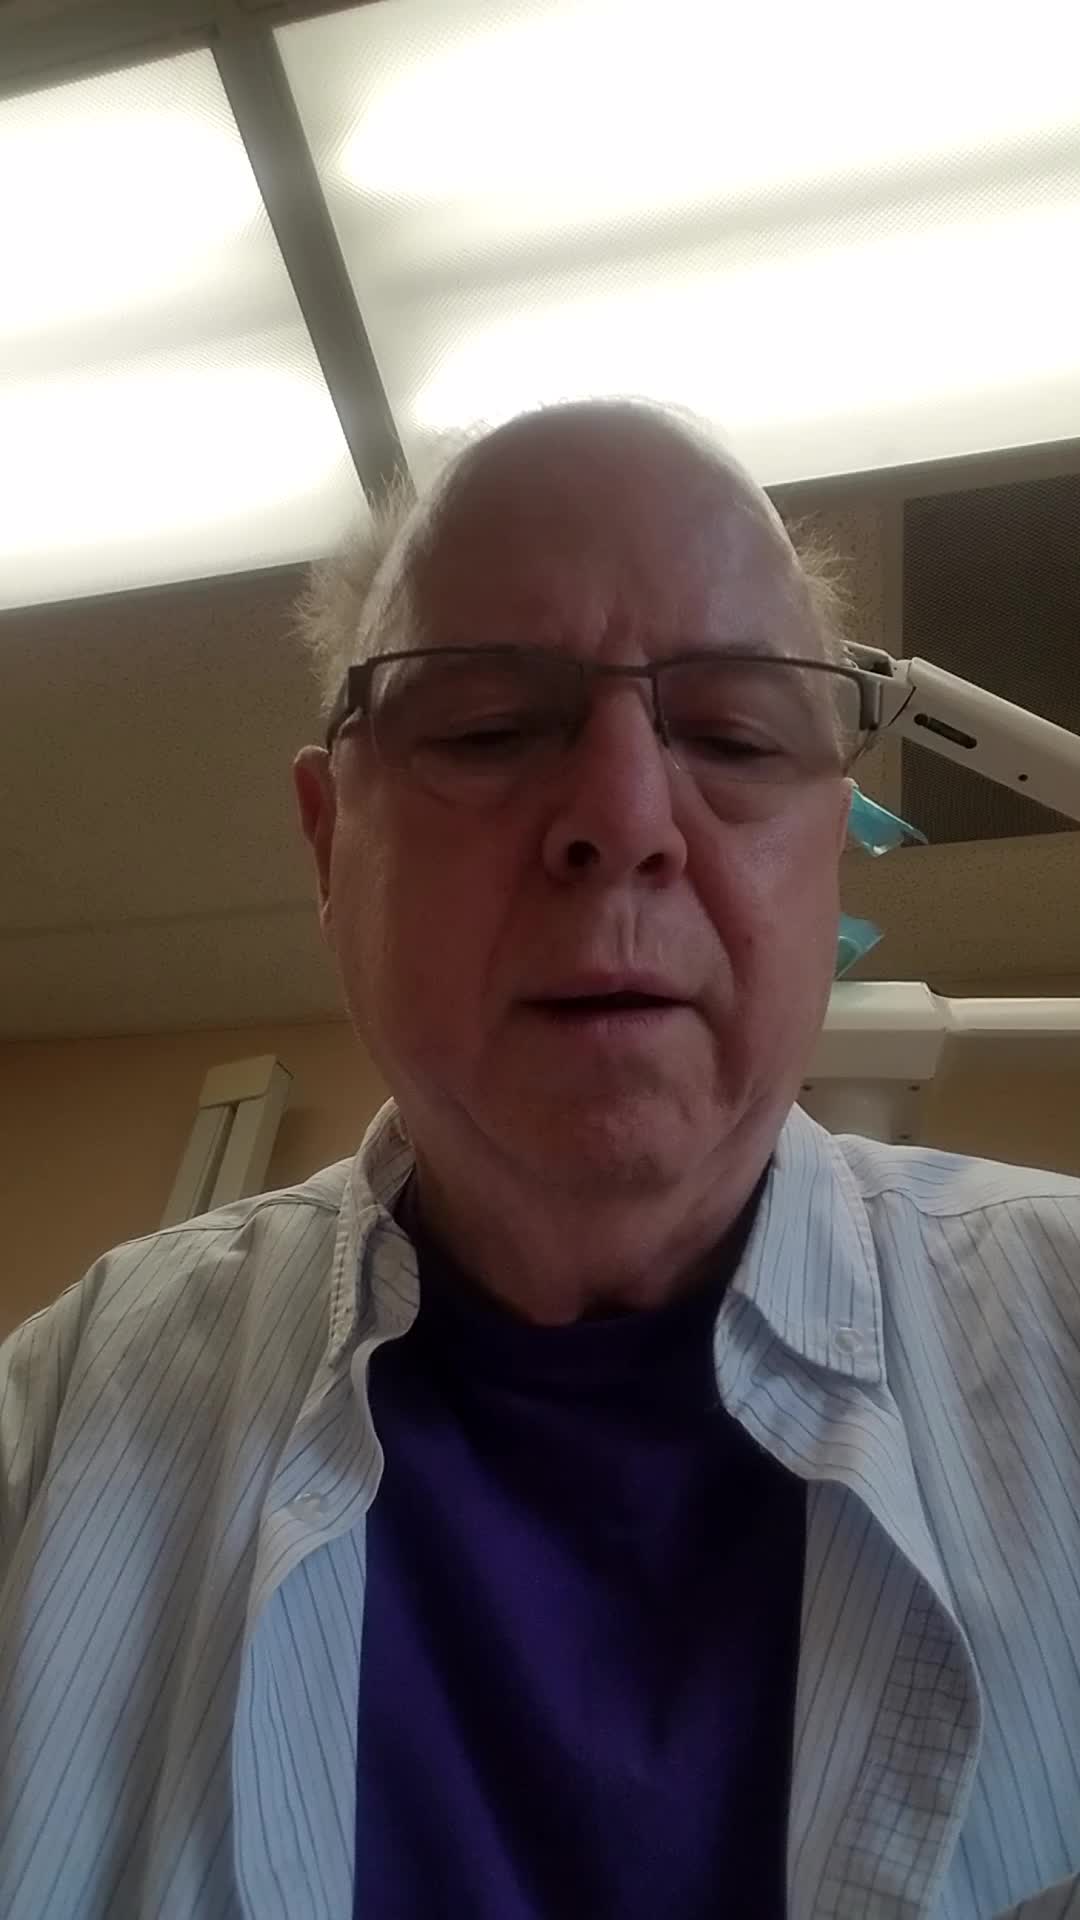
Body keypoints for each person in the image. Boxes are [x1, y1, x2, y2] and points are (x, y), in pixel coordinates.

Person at [1, 400, 1078, 1920]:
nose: (625, 819)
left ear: (830, 844)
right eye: (490, 729)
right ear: (328, 844)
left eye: (732, 735)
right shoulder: (52, 1444)